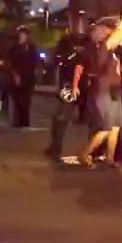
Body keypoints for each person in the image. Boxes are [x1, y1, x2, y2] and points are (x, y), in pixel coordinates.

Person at [76, 4, 122, 169]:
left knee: (116, 127)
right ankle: (84, 154)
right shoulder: (104, 47)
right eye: (112, 29)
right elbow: (120, 31)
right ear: (105, 31)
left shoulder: (113, 50)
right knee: (105, 128)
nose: (119, 32)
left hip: (114, 91)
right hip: (104, 91)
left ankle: (110, 158)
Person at [45, 20, 88, 162]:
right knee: (59, 117)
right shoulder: (66, 42)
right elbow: (56, 60)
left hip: (83, 85)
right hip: (68, 84)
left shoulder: (88, 42)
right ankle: (55, 146)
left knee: (63, 117)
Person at [6, 26, 39, 129]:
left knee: (26, 100)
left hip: (28, 77)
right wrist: (14, 74)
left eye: (24, 35)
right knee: (17, 99)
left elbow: (36, 61)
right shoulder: (14, 48)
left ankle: (25, 121)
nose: (22, 37)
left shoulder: (31, 48)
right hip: (16, 76)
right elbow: (10, 62)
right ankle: (18, 121)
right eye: (21, 34)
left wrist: (37, 72)